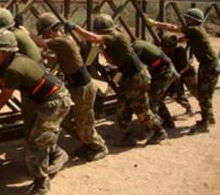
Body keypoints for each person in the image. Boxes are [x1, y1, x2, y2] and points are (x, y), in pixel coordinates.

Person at [0, 29, 72, 195]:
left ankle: (41, 182)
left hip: (55, 102)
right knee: (37, 135)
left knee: (36, 143)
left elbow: (2, 99)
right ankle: (56, 154)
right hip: (44, 100)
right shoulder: (7, 63)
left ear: (6, 52)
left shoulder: (13, 68)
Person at [65, 14, 167, 146]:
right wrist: (102, 48)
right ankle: (128, 137)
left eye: (97, 30)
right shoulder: (110, 40)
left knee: (142, 109)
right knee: (122, 107)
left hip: (137, 77)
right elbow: (110, 60)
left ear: (102, 29)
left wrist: (76, 28)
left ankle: (159, 131)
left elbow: (92, 38)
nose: (96, 32)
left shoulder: (115, 35)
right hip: (128, 77)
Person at [35, 12, 108, 161]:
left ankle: (99, 146)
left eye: (43, 33)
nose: (43, 37)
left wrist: (24, 31)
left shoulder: (63, 41)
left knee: (84, 124)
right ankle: (87, 142)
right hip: (76, 87)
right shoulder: (63, 41)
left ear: (49, 31)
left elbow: (40, 43)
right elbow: (56, 57)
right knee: (66, 120)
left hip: (83, 88)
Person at [147, 8, 219, 133]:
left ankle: (205, 123)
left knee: (204, 95)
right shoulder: (194, 31)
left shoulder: (195, 29)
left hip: (209, 66)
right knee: (204, 94)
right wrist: (172, 41)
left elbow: (173, 27)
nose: (186, 20)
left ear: (194, 20)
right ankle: (209, 118)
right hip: (206, 64)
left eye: (188, 18)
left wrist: (156, 24)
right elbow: (182, 39)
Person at [132, 39, 178, 129]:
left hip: (165, 73)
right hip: (165, 72)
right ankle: (168, 122)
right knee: (155, 98)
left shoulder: (137, 47)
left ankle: (156, 128)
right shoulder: (139, 44)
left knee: (152, 99)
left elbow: (132, 63)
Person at [160, 34, 197, 115]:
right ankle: (188, 108)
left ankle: (205, 109)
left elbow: (186, 66)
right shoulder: (164, 52)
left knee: (196, 92)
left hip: (187, 73)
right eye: (163, 47)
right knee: (176, 93)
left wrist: (179, 74)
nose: (165, 49)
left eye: (167, 47)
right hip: (175, 74)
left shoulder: (180, 50)